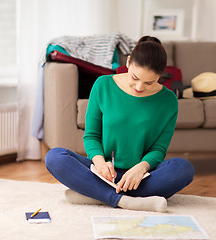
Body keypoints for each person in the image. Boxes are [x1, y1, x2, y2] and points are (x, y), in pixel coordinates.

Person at [45, 36, 195, 212]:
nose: (139, 87)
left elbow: (159, 149)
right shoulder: (103, 85)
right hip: (102, 172)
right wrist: (100, 163)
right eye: (135, 77)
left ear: (160, 75)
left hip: (142, 177)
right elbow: (92, 136)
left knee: (184, 169)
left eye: (149, 82)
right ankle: (126, 200)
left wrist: (140, 168)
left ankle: (96, 195)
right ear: (129, 62)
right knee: (54, 157)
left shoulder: (169, 100)